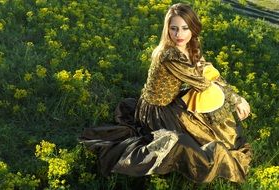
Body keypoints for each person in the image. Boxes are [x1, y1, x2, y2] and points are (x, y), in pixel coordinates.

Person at [80, 3, 252, 183]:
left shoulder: (190, 47)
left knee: (210, 113)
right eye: (174, 28)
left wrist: (234, 96)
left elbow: (206, 70)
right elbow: (202, 83)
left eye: (185, 28)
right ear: (167, 29)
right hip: (157, 111)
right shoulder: (169, 55)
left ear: (193, 28)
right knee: (185, 143)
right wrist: (236, 99)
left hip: (171, 101)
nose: (179, 35)